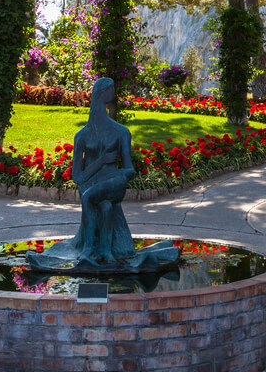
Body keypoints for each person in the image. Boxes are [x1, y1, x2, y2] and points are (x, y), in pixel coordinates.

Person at [27, 78, 178, 272]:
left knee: (91, 197)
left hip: (114, 183)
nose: (114, 92)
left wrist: (119, 176)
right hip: (91, 183)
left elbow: (129, 169)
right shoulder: (82, 135)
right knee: (104, 205)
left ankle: (89, 248)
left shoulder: (121, 132)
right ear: (104, 93)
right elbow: (78, 177)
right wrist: (101, 161)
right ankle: (105, 251)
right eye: (111, 89)